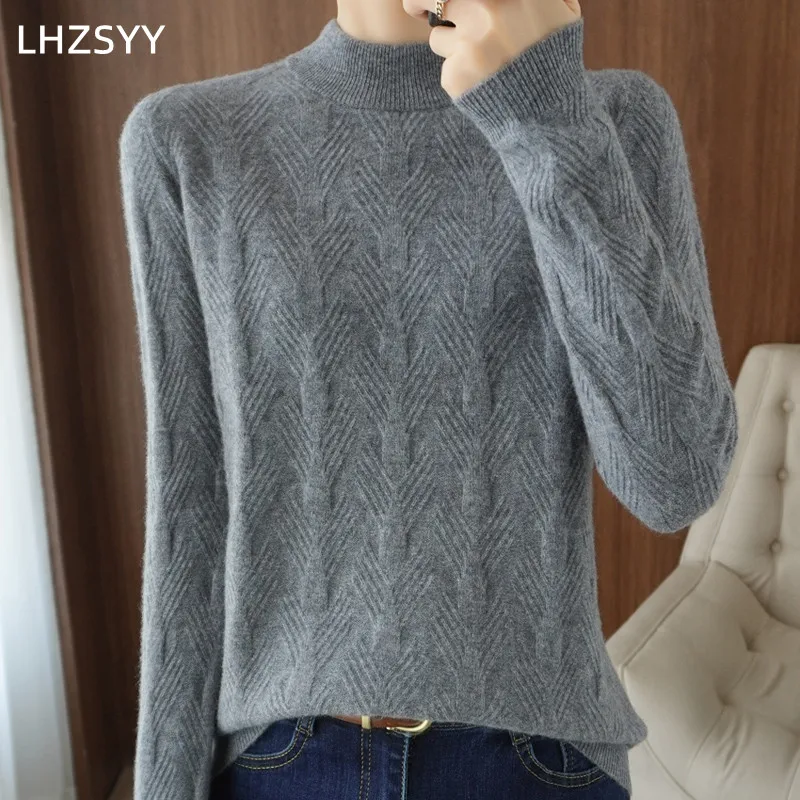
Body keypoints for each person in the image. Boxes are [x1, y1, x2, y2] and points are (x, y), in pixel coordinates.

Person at [117, 0, 739, 798]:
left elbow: (676, 480)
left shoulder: (609, 117)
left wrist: (543, 111)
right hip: (285, 759)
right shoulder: (188, 138)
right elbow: (189, 503)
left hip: (536, 759)